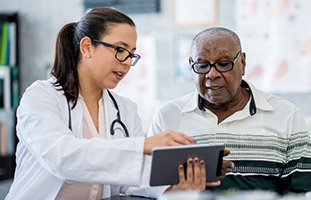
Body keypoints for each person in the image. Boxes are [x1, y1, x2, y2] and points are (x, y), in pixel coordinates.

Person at [6, 8, 214, 200]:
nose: (126, 61)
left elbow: (128, 181)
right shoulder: (41, 96)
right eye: (120, 49)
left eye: (131, 54)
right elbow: (62, 159)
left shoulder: (125, 109)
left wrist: (173, 184)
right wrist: (143, 145)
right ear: (87, 47)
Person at [148, 27, 311, 194]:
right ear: (191, 66)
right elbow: (146, 189)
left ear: (243, 63)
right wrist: (178, 190)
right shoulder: (167, 115)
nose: (212, 74)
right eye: (201, 65)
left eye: (223, 64)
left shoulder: (286, 115)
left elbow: (304, 193)